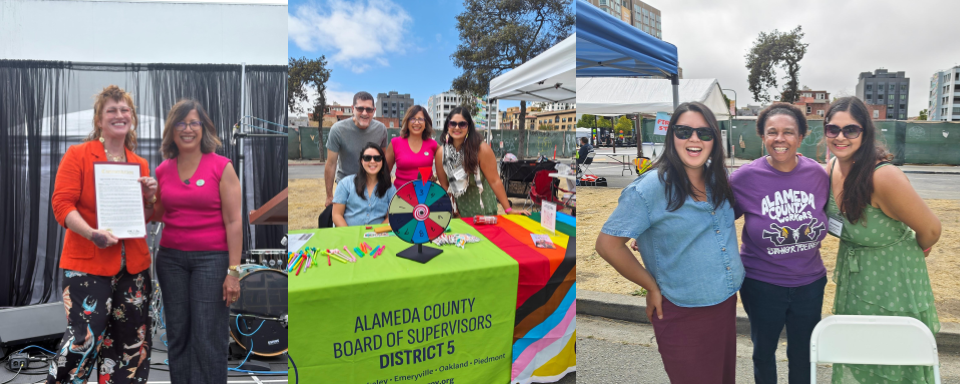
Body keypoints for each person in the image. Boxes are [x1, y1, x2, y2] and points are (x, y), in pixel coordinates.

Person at [596, 102, 742, 383]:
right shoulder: (650, 188)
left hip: (724, 304)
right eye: (684, 131)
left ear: (715, 138)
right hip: (682, 310)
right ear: (671, 136)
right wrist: (650, 286)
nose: (694, 139)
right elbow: (607, 245)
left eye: (704, 132)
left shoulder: (718, 179)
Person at [824, 97, 940, 384]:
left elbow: (932, 230)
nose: (840, 136)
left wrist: (919, 248)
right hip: (856, 282)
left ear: (865, 133)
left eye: (850, 130)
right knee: (863, 356)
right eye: (832, 129)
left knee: (895, 362)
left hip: (894, 283)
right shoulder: (830, 169)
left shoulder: (883, 177)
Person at [48, 85, 157, 384]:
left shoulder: (140, 164)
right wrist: (91, 233)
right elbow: (61, 206)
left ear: (132, 118)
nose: (119, 115)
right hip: (87, 266)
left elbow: (140, 222)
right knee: (81, 343)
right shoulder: (79, 155)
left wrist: (149, 199)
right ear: (99, 119)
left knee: (130, 347)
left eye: (125, 110)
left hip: (133, 269)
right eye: (112, 110)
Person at [729, 103, 828, 384]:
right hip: (762, 284)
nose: (780, 139)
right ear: (762, 136)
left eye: (788, 132)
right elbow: (713, 218)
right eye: (772, 132)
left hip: (809, 284)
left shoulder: (818, 175)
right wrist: (664, 230)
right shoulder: (745, 178)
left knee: (803, 354)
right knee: (763, 353)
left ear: (801, 136)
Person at [151, 99, 242, 384]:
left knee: (208, 337)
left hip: (212, 262)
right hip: (170, 261)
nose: (187, 129)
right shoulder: (163, 170)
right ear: (171, 129)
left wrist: (233, 272)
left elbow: (234, 222)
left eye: (193, 123)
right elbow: (157, 215)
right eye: (181, 122)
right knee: (178, 336)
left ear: (204, 128)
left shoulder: (221, 166)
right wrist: (146, 197)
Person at [434, 107, 528, 217]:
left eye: (462, 124)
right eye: (453, 123)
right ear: (447, 126)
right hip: (459, 213)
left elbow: (495, 181)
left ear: (469, 127)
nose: (457, 127)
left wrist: (508, 209)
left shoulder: (481, 149)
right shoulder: (442, 153)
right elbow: (445, 187)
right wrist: (455, 210)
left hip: (483, 211)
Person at [324, 91, 388, 207]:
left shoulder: (381, 129)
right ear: (353, 108)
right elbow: (331, 164)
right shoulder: (338, 130)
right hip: (346, 185)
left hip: (372, 185)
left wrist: (385, 186)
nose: (364, 113)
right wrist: (329, 196)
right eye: (360, 109)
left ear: (374, 111)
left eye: (369, 109)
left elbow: (382, 160)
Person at [332, 143, 397, 227]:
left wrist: (376, 233)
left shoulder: (390, 188)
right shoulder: (345, 184)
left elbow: (391, 217)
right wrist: (350, 236)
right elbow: (337, 215)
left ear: (382, 161)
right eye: (367, 158)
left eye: (377, 158)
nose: (372, 161)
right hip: (349, 235)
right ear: (361, 161)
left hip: (377, 236)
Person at [385, 105, 439, 188]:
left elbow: (447, 165)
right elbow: (384, 174)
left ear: (425, 123)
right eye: (412, 119)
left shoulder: (433, 144)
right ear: (407, 122)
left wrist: (435, 177)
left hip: (426, 197)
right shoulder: (395, 143)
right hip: (400, 197)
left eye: (420, 119)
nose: (416, 122)